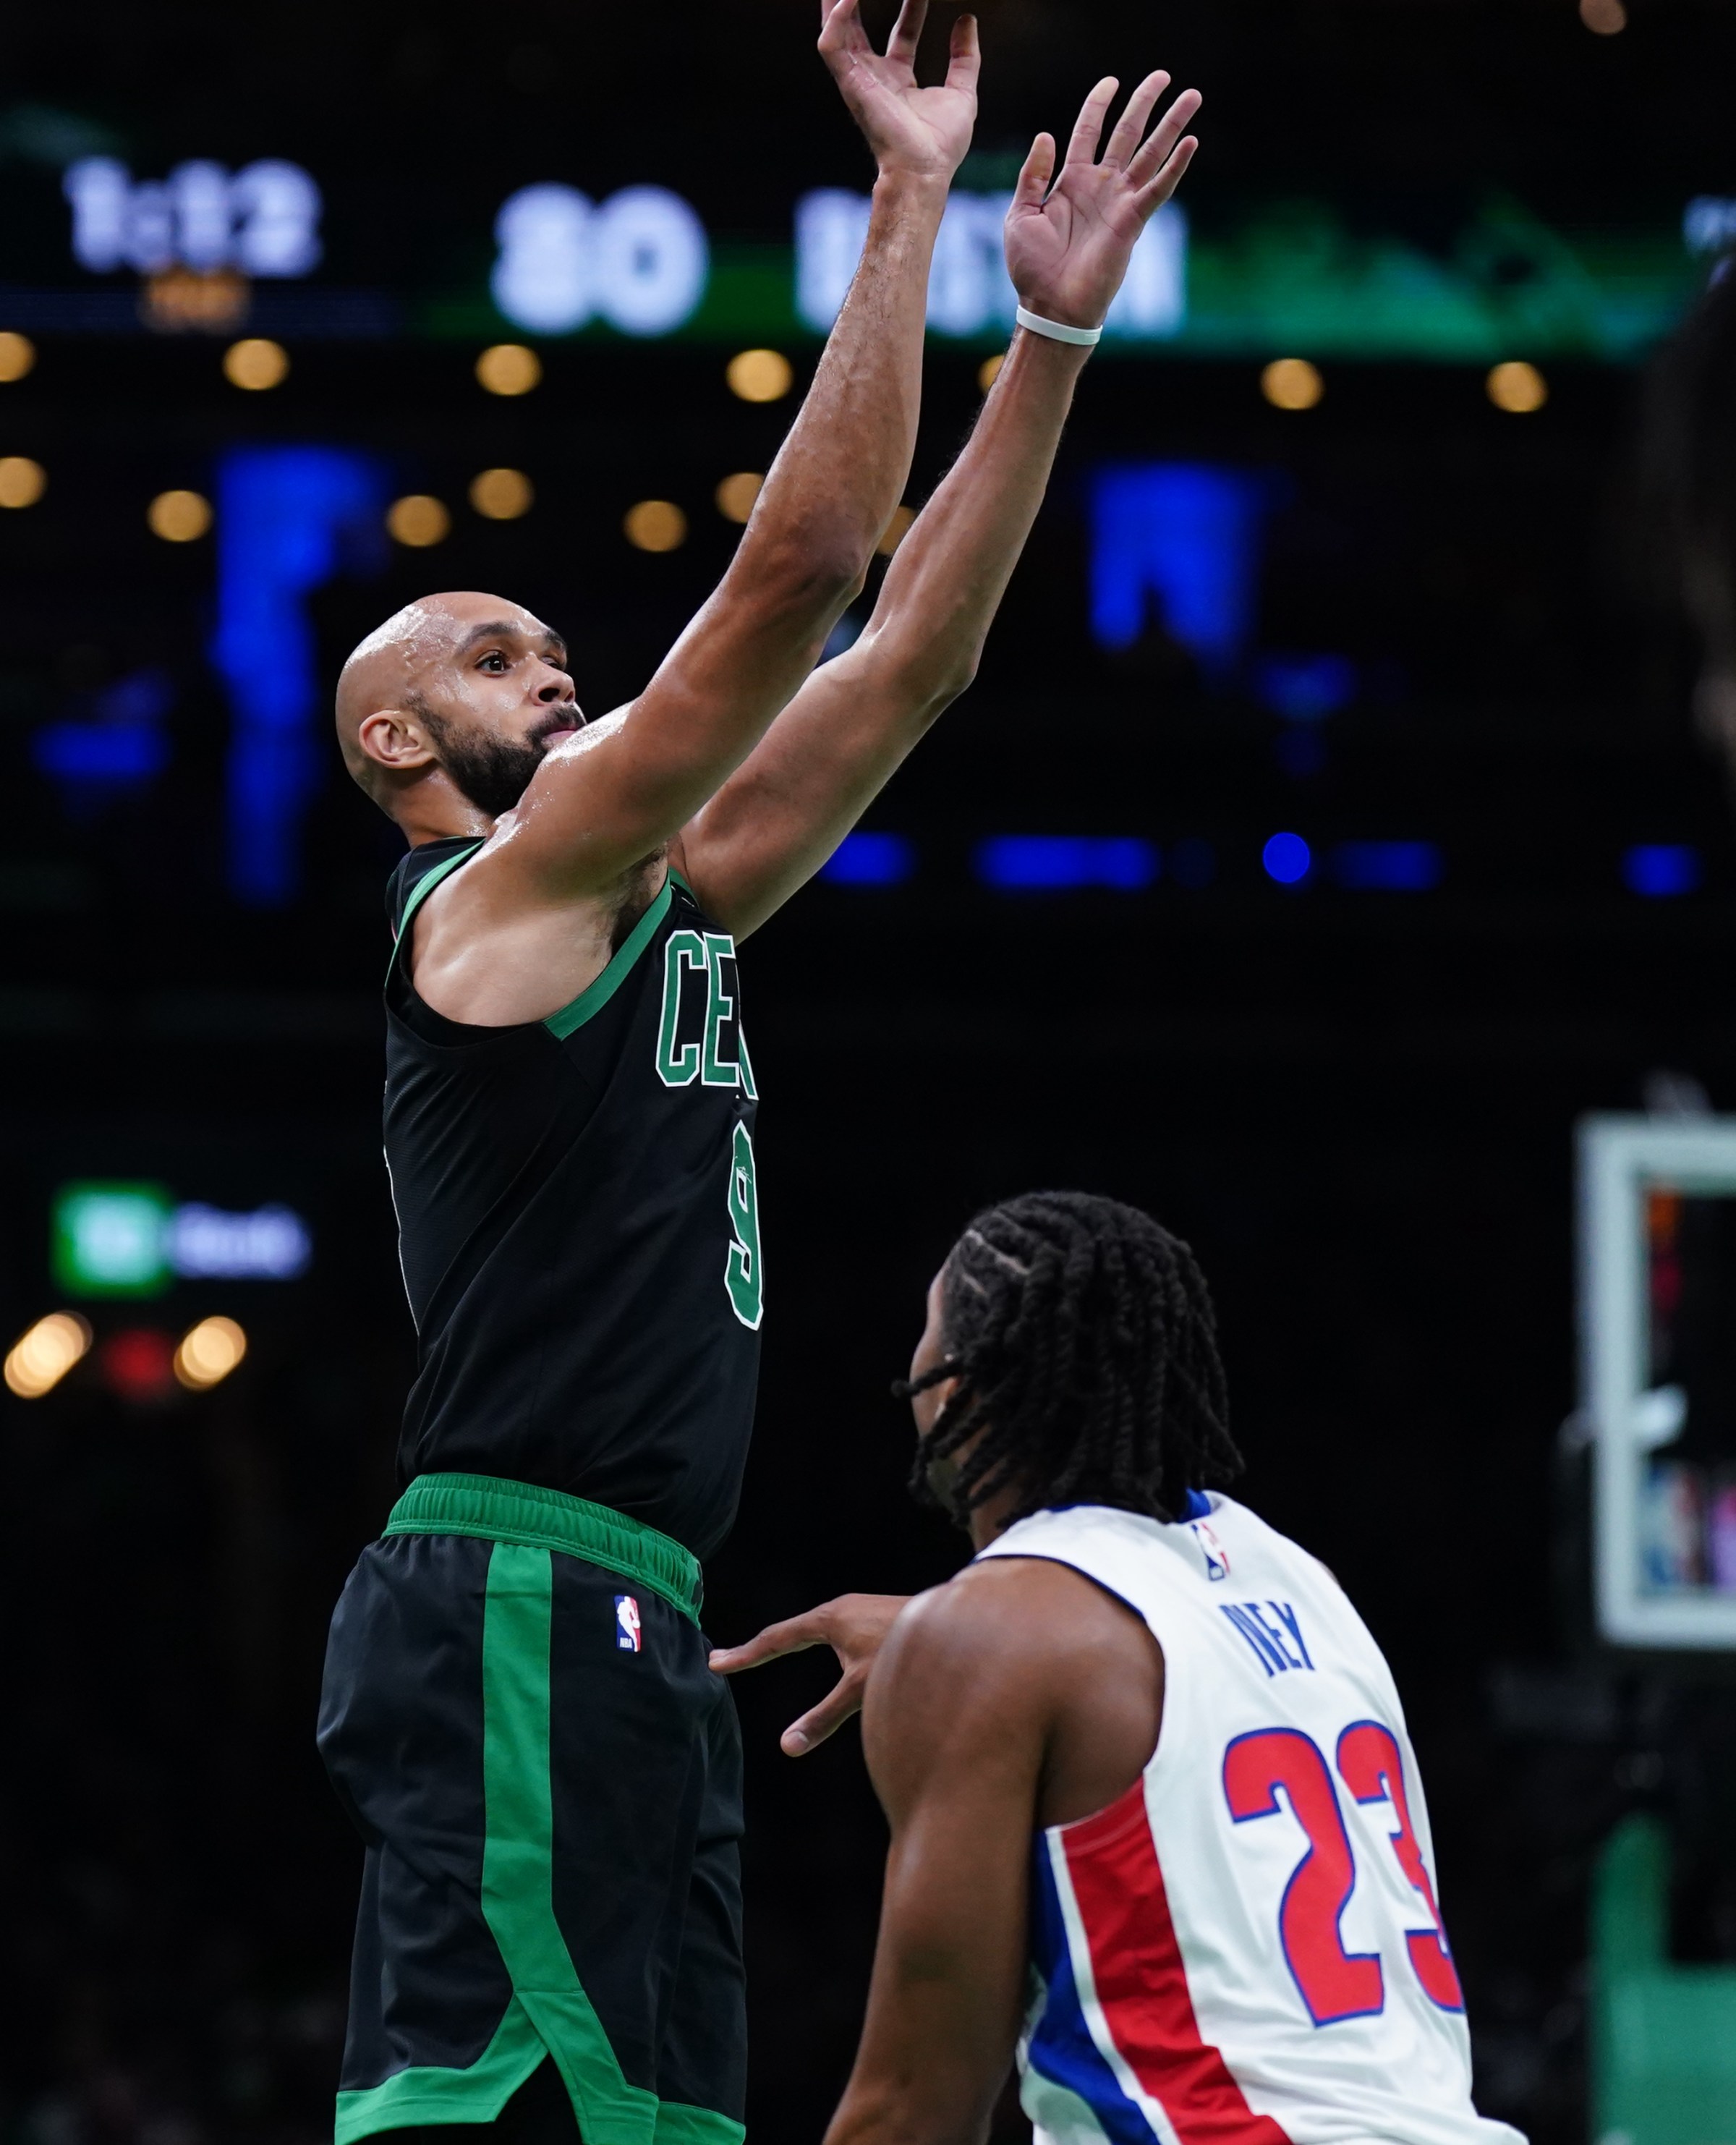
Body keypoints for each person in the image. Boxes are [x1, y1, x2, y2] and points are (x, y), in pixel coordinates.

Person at [315, 0, 1204, 2136]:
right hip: (516, 1579)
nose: (563, 664)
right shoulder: (492, 908)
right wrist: (907, 190)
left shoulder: (672, 899)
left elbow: (915, 652)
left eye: (554, 645)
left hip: (634, 1608)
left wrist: (1053, 349)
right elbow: (806, 571)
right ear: (400, 744)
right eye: (500, 652)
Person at [715, 1192, 1525, 2145]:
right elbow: (1155, 1672)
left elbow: (913, 2112)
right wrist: (947, 1632)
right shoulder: (1300, 1581)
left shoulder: (989, 1645)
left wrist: (950, 1646)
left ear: (955, 1390)